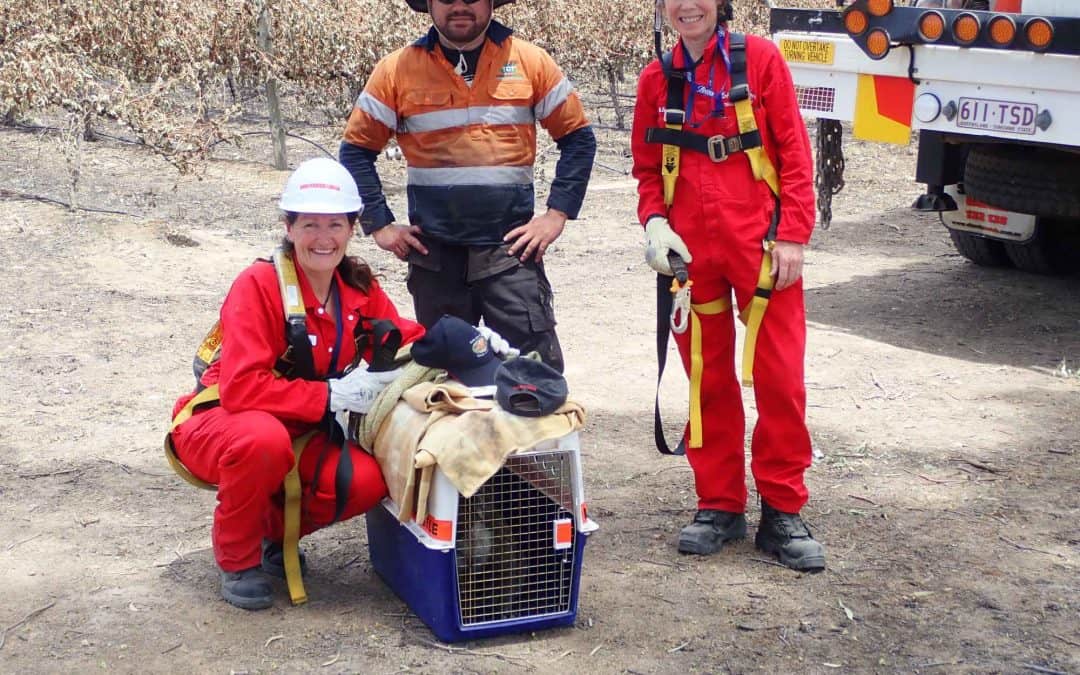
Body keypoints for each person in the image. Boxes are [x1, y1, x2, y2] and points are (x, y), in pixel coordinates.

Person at [166, 158, 426, 610]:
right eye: (309, 225)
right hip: (224, 425)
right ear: (288, 228)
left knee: (366, 479)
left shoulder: (356, 287)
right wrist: (330, 395)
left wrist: (464, 344)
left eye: (334, 225)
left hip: (296, 428)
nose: (323, 238)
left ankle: (274, 533)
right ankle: (237, 558)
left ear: (351, 229)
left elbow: (403, 334)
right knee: (262, 441)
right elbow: (241, 390)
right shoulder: (258, 285)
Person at [631, 0, 825, 570]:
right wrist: (655, 223)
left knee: (780, 378)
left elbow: (793, 151)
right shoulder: (657, 79)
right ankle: (718, 503)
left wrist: (792, 235)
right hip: (693, 252)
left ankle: (783, 510)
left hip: (760, 244)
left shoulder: (760, 61)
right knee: (705, 381)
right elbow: (647, 168)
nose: (686, 6)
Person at [339, 0, 596, 373]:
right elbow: (356, 151)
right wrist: (379, 224)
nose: (459, 6)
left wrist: (557, 214)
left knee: (533, 381)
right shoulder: (397, 70)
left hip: (510, 254)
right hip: (434, 257)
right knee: (443, 382)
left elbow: (578, 138)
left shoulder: (529, 61)